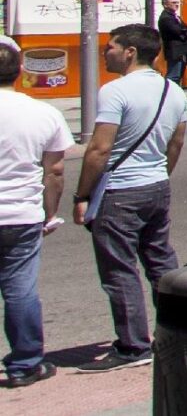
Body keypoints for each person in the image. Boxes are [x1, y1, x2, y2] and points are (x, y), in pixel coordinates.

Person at [77, 24, 184, 370]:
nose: (104, 52)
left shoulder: (115, 91)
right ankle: (180, 332)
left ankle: (133, 346)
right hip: (156, 186)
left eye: (110, 47)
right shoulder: (173, 90)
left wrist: (82, 194)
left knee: (119, 269)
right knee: (160, 262)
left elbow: (99, 149)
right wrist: (160, 174)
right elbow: (176, 144)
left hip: (120, 190)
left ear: (130, 52)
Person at [0, 44, 71, 386]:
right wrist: (49, 213)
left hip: (20, 213)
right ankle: (25, 363)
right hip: (21, 213)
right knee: (20, 289)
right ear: (20, 72)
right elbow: (54, 171)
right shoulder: (44, 113)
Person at [154, 0, 187, 93]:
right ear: (165, 4)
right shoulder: (166, 18)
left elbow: (185, 27)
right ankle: (167, 93)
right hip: (174, 50)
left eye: (178, 2)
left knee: (178, 74)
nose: (177, 4)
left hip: (181, 50)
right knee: (174, 75)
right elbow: (177, 30)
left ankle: (173, 92)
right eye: (173, 2)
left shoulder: (175, 16)